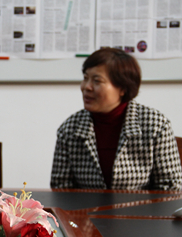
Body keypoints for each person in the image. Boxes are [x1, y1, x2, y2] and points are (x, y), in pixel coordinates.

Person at [50, 48, 182, 190]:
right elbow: (61, 187)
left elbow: (171, 187)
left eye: (97, 80)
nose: (86, 87)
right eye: (85, 78)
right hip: (85, 212)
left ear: (122, 88)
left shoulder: (155, 125)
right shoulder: (70, 128)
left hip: (140, 211)